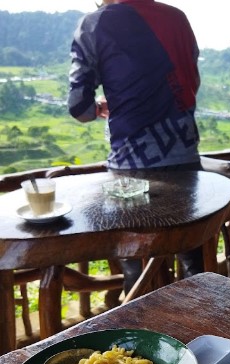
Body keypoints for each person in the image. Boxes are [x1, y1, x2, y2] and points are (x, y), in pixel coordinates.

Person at [67, 0, 203, 290]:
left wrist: (99, 108)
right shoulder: (178, 18)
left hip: (131, 169)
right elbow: (191, 81)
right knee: (195, 266)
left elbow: (79, 106)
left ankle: (140, 332)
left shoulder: (95, 23)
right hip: (186, 159)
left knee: (138, 274)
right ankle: (201, 331)